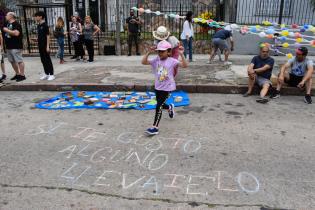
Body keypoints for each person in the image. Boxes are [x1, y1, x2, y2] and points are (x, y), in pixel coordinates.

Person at [141, 40, 188, 135]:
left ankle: (155, 127)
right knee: (161, 104)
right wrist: (149, 52)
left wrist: (181, 55)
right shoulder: (156, 60)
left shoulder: (172, 61)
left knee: (158, 106)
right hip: (158, 87)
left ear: (169, 52)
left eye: (162, 51)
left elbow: (185, 65)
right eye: (159, 51)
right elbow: (143, 62)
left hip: (168, 88)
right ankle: (170, 107)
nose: (160, 53)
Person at [3, 12, 26, 82]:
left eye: (7, 15)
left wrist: (7, 30)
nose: (5, 16)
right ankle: (17, 74)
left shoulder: (17, 24)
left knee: (19, 60)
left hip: (16, 46)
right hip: (9, 46)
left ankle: (22, 75)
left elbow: (16, 33)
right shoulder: (7, 24)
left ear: (11, 16)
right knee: (12, 61)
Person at [34, 11, 55, 81]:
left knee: (47, 59)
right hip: (40, 45)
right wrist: (36, 39)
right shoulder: (38, 25)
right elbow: (40, 36)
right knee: (43, 60)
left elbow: (48, 36)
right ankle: (46, 73)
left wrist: (48, 46)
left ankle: (51, 74)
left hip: (45, 45)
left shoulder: (45, 25)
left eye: (36, 16)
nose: (35, 17)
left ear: (40, 17)